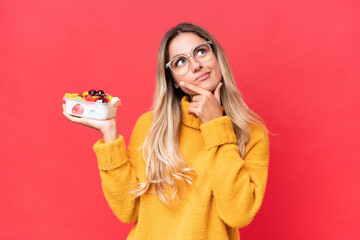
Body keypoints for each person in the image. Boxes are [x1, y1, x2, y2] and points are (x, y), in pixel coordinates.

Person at [63, 22, 269, 240]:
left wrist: (216, 125)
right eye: (180, 61)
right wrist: (110, 133)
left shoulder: (252, 132)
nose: (195, 65)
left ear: (217, 56)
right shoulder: (150, 126)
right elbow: (127, 210)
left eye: (201, 51)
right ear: (173, 81)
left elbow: (238, 214)